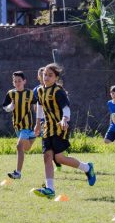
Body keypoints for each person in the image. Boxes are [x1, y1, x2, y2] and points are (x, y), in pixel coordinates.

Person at [32, 63, 96, 199]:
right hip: (47, 128)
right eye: (45, 74)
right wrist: (37, 124)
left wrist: (64, 119)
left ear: (56, 78)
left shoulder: (58, 92)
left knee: (59, 158)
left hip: (60, 128)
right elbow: (40, 106)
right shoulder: (40, 91)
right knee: (47, 157)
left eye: (50, 75)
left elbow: (66, 108)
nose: (46, 77)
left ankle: (87, 168)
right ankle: (50, 189)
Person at [3, 71, 36, 179]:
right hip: (17, 125)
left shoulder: (30, 93)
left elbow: (37, 104)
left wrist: (40, 118)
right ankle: (33, 135)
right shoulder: (10, 93)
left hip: (27, 125)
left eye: (19, 81)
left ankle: (18, 173)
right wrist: (10, 107)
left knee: (19, 146)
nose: (17, 83)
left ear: (24, 81)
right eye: (15, 81)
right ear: (13, 82)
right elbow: (5, 107)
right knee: (26, 148)